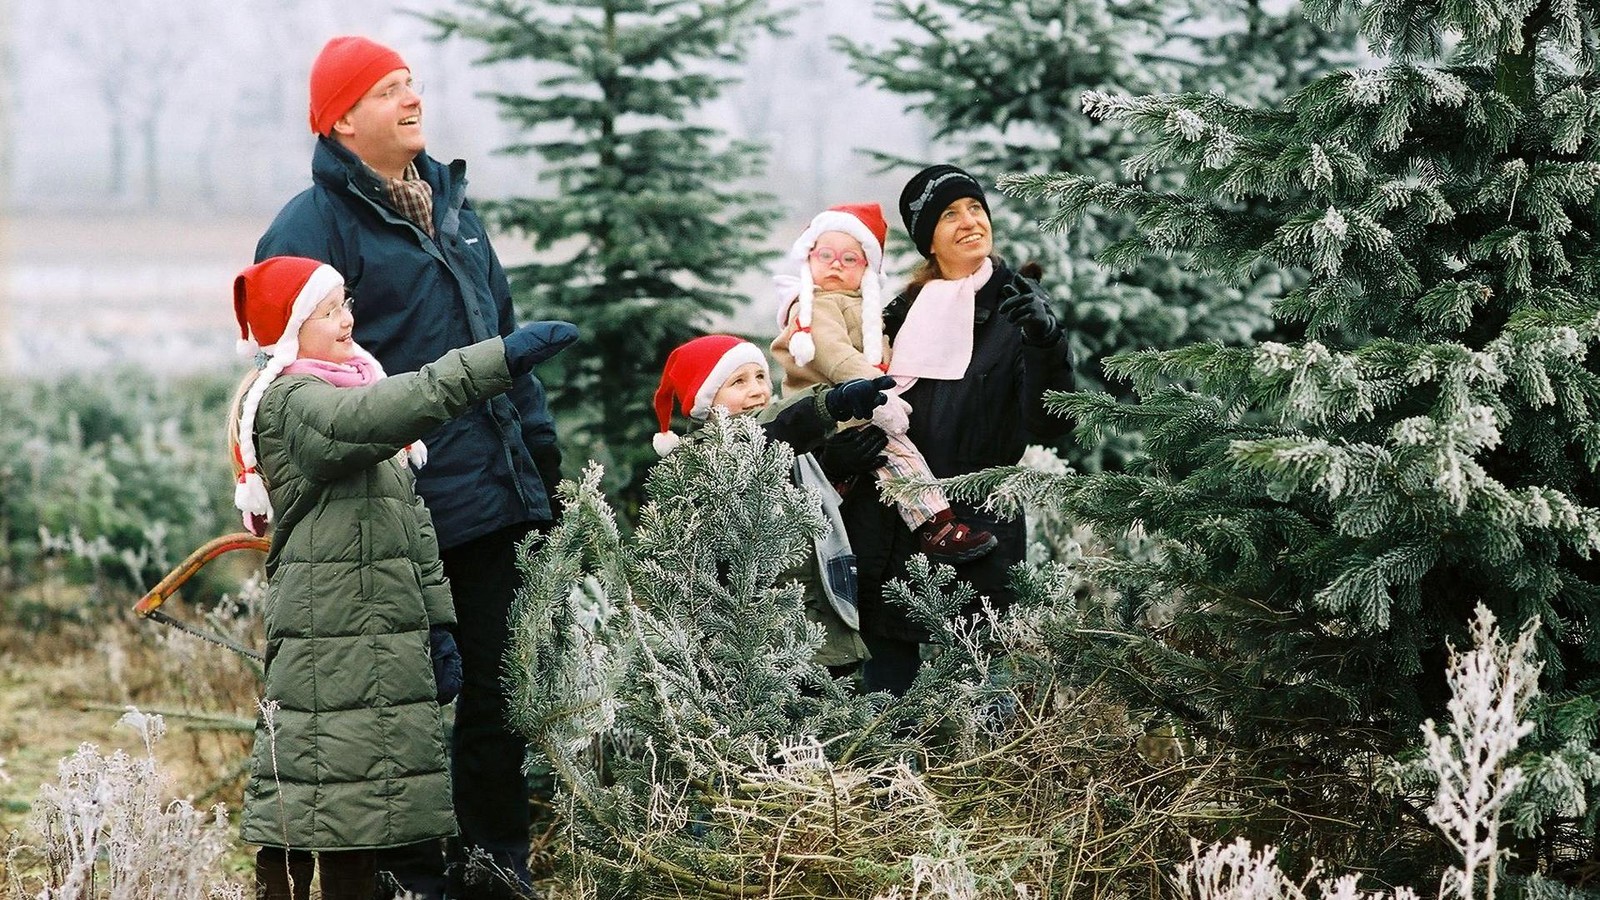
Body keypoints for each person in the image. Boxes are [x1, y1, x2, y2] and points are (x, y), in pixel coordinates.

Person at [254, 36, 560, 896]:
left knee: (499, 696)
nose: (413, 98)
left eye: (412, 83)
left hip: (491, 495)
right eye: (389, 90)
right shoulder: (309, 227)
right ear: (343, 120)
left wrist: (539, 461)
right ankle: (408, 879)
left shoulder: (455, 211)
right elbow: (281, 367)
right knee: (402, 710)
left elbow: (504, 342)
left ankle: (495, 867)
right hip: (390, 513)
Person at [228, 256, 576, 900]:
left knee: (366, 805)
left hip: (378, 628)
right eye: (327, 311)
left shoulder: (350, 386)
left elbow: (414, 531)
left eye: (344, 304)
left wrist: (438, 626)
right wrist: (496, 360)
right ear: (292, 329)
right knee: (322, 800)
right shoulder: (295, 405)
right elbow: (389, 410)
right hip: (331, 630)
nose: (347, 320)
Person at [827, 164, 1076, 696]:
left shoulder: (1019, 308)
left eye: (975, 208)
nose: (969, 222)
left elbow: (1051, 422)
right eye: (949, 215)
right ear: (929, 241)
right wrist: (845, 451)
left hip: (975, 526)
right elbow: (856, 398)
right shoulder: (899, 314)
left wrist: (1046, 340)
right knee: (887, 699)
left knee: (987, 693)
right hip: (891, 523)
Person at [771, 202, 997, 564]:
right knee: (901, 455)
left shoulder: (861, 306)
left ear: (866, 268)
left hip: (851, 406)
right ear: (807, 258)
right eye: (826, 256)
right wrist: (881, 389)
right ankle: (935, 524)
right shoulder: (816, 305)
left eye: (849, 259)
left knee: (881, 459)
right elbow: (833, 354)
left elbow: (882, 350)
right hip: (835, 405)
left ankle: (840, 491)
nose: (835, 265)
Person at [652, 334, 895, 671]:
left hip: (809, 615)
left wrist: (832, 467)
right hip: (763, 632)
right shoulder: (709, 450)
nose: (756, 390)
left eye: (760, 376)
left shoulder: (784, 447)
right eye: (738, 382)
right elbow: (773, 429)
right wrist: (832, 404)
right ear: (705, 401)